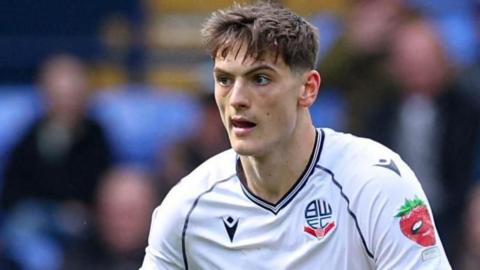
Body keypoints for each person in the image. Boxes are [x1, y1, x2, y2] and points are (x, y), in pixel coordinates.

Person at [140, 2, 451, 269]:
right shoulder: (186, 209)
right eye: (224, 80)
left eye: (260, 79)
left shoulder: (376, 185)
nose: (236, 99)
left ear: (308, 88)